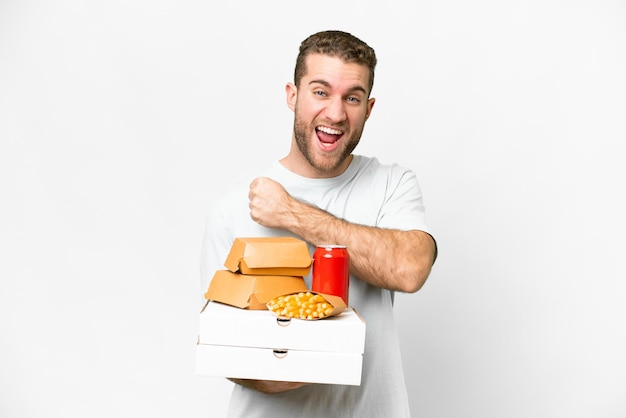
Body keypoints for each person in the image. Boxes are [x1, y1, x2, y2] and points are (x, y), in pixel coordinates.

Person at [200, 29, 437, 418]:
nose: (336, 114)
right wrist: (299, 361)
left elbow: (409, 269)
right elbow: (220, 343)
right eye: (321, 92)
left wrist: (291, 214)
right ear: (293, 95)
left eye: (353, 98)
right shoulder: (232, 206)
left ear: (369, 107)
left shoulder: (392, 185)